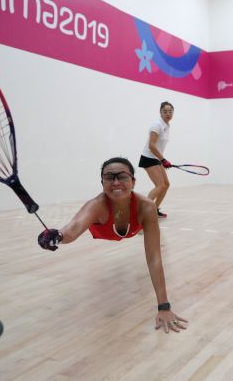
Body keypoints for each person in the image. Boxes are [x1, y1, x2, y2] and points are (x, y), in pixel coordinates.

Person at [37, 157, 187, 333]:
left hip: (134, 225)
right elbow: (72, 229)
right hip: (105, 232)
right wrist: (57, 236)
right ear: (102, 182)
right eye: (109, 177)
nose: (116, 182)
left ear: (133, 181)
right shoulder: (96, 206)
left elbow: (154, 257)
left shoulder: (146, 207)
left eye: (122, 176)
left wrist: (164, 306)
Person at [138, 101, 174, 218]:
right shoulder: (156, 125)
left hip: (156, 158)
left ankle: (154, 210)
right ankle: (143, 213)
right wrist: (163, 160)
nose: (168, 114)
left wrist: (162, 160)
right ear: (160, 112)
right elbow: (151, 145)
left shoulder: (166, 125)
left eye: (170, 111)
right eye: (165, 111)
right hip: (148, 157)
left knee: (166, 184)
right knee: (160, 186)